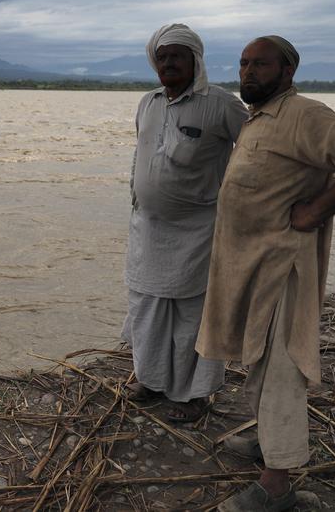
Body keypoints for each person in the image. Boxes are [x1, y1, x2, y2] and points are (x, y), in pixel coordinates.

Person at [197, 36, 335, 512]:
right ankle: (269, 445)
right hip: (251, 266)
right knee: (261, 359)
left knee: (283, 366)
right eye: (243, 64)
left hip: (284, 267)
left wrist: (315, 212)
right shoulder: (258, 119)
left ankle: (276, 486)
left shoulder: (305, 114)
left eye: (260, 64)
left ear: (288, 71)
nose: (247, 72)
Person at [121, 24, 247, 423]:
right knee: (146, 308)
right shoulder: (148, 102)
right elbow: (141, 153)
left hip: (198, 231)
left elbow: (257, 151)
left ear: (196, 60)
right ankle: (150, 379)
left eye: (177, 55)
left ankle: (195, 395)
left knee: (193, 315)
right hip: (147, 230)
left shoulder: (221, 104)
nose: (169, 63)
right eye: (162, 56)